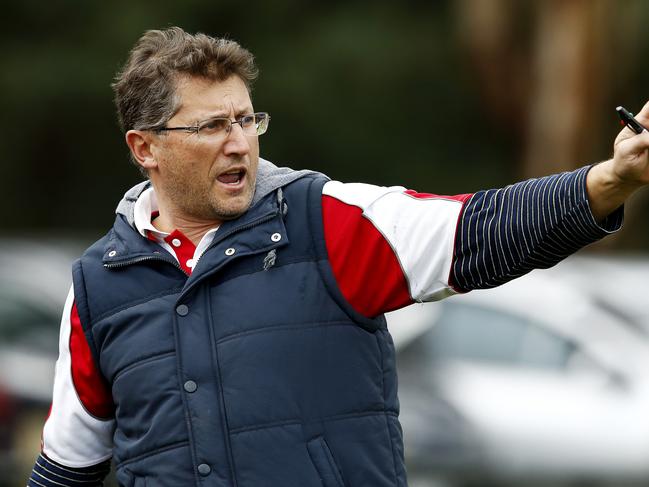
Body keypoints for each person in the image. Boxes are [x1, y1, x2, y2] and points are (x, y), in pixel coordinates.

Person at [27, 26, 649, 487]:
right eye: (212, 126)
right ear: (145, 148)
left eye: (247, 119)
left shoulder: (329, 220)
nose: (239, 142)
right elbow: (69, 465)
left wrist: (611, 179)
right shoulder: (98, 282)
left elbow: (480, 230)